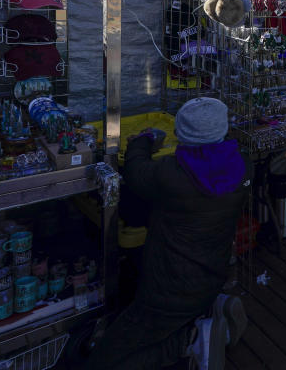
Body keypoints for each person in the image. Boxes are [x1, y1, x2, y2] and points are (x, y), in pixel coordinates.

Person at [85, 98, 250, 370]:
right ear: (223, 130)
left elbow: (136, 170)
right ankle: (213, 309)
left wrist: (143, 140)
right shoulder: (244, 166)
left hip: (167, 291)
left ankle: (192, 340)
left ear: (181, 133)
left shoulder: (170, 174)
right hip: (212, 275)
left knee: (106, 360)